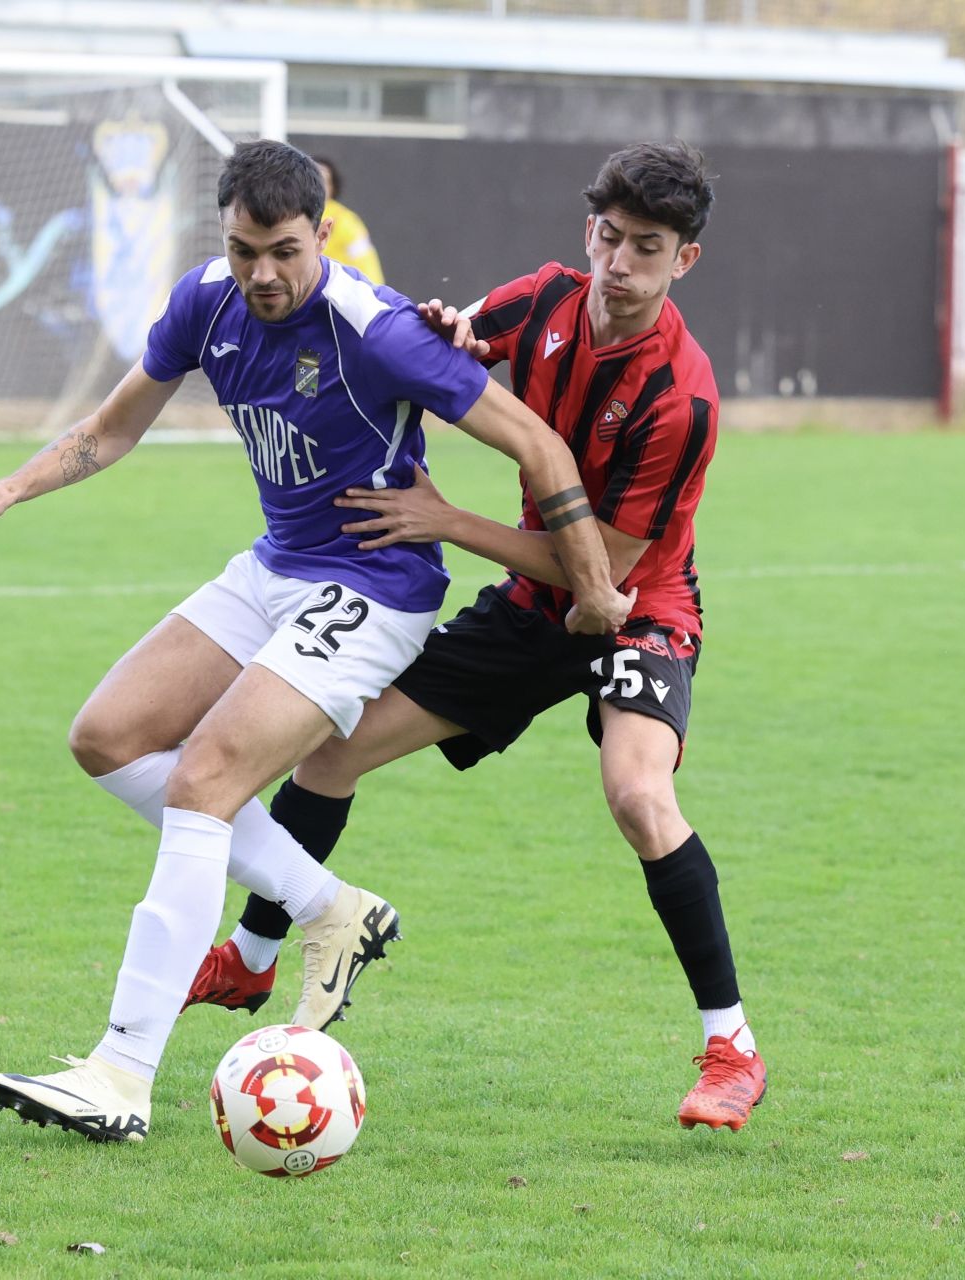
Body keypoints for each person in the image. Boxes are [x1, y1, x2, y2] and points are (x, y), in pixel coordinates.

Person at [0, 139, 633, 1144]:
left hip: (377, 586)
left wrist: (597, 587)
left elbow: (539, 443)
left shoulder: (376, 330)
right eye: (245, 247)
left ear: (322, 234)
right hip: (273, 568)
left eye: (286, 251)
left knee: (203, 779)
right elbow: (113, 427)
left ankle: (120, 1072)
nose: (264, 272)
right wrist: (11, 486)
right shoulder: (205, 301)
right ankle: (329, 903)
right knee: (106, 735)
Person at [186, 142, 767, 1132]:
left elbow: (602, 571)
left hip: (637, 606)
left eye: (649, 248)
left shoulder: (684, 396)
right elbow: (451, 347)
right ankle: (251, 952)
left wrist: (445, 518)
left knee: (637, 791)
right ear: (591, 232)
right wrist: (448, 332)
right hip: (531, 610)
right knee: (331, 746)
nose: (621, 264)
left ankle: (730, 1045)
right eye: (611, 238)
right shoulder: (543, 299)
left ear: (685, 261)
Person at [316, 156, 385, 284]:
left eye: (323, 181)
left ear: (333, 187)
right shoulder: (291, 216)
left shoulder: (347, 222)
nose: (317, 185)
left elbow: (366, 263)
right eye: (313, 179)